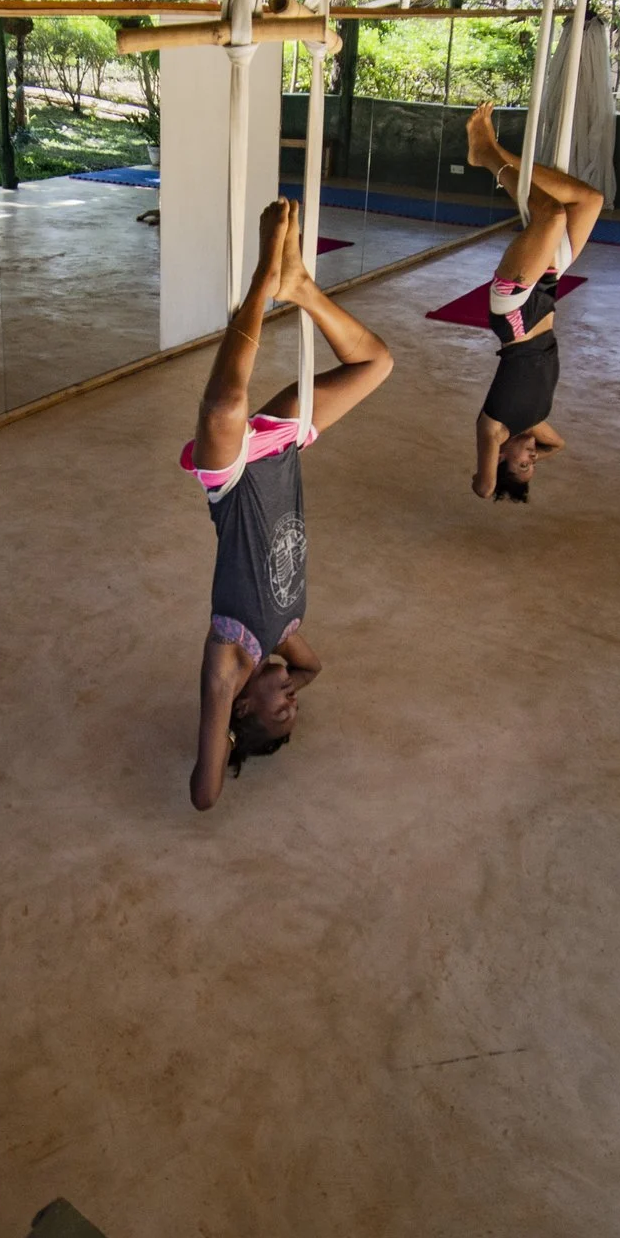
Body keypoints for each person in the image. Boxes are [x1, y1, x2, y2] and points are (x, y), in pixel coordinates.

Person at [183, 198, 391, 811]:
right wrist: (286, 680)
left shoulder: (228, 664)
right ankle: (299, 287)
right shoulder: (285, 635)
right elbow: (312, 670)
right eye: (294, 712)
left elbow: (205, 794)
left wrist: (224, 727)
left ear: (244, 707)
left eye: (280, 712)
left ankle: (264, 276)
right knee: (377, 363)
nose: (293, 702)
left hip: (231, 481)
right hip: (279, 452)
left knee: (224, 409)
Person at [463, 102, 602, 502]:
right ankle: (496, 153)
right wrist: (536, 455)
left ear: (500, 457)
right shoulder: (536, 423)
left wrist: (491, 473)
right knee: (588, 200)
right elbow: (558, 445)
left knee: (552, 216)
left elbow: (485, 488)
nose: (532, 459)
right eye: (532, 465)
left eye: (522, 464)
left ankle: (487, 154)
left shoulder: (493, 429)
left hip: (516, 308)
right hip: (546, 289)